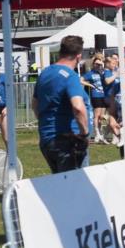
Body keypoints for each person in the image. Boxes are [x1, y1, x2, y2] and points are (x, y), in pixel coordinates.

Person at [32, 35, 90, 172]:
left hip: (47, 138)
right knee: (76, 186)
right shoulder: (70, 76)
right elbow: (78, 107)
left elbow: (34, 104)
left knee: (60, 185)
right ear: (78, 56)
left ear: (60, 52)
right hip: (69, 140)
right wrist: (85, 134)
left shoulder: (45, 73)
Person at [85, 55, 114, 143]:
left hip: (104, 95)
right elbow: (81, 79)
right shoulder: (90, 73)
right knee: (96, 115)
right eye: (96, 64)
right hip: (96, 95)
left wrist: (102, 64)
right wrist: (90, 85)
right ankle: (97, 133)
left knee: (102, 116)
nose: (98, 66)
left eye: (99, 64)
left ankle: (101, 133)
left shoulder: (103, 72)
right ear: (93, 64)